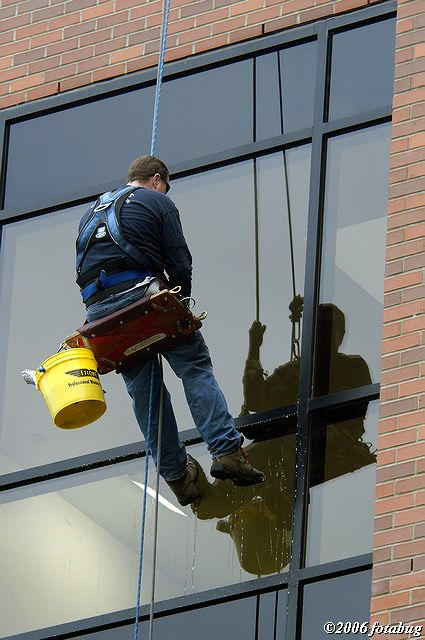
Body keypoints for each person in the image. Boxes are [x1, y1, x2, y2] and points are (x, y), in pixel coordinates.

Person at [75, 155, 265, 506]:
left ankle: (177, 476)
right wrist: (182, 307)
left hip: (102, 316)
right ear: (158, 179)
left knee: (147, 397)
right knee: (194, 367)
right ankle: (227, 452)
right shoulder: (157, 201)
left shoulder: (91, 212)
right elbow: (179, 261)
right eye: (166, 185)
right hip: (142, 299)